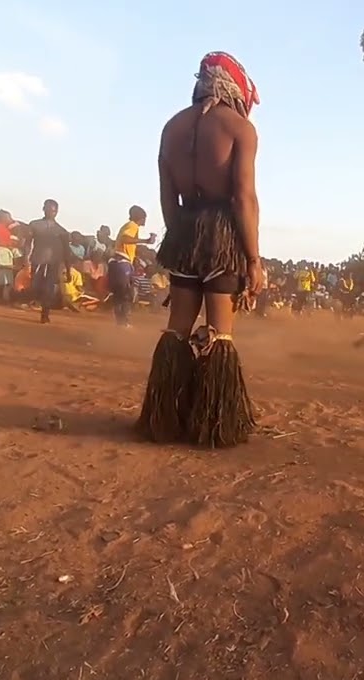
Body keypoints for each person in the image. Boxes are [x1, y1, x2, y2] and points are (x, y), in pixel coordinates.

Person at [137, 51, 264, 449]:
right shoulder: (239, 129)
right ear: (235, 88)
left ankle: (165, 419)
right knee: (220, 333)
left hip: (184, 229)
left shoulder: (171, 127)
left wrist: (179, 242)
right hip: (223, 235)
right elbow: (243, 198)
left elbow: (166, 195)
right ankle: (214, 424)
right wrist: (254, 259)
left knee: (177, 328)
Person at [27, 199, 71, 323]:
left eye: (52, 210)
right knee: (35, 286)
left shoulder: (62, 231)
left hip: (54, 263)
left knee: (49, 288)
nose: (50, 212)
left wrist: (68, 270)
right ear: (43, 209)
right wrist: (26, 258)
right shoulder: (34, 225)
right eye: (47, 209)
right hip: (38, 260)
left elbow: (67, 251)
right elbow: (27, 243)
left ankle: (45, 313)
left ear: (56, 212)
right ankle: (35, 302)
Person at [108, 249, 135, 327]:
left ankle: (119, 322)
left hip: (114, 288)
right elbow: (131, 278)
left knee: (117, 304)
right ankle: (125, 322)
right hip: (125, 287)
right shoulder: (128, 265)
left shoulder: (111, 264)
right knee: (125, 304)